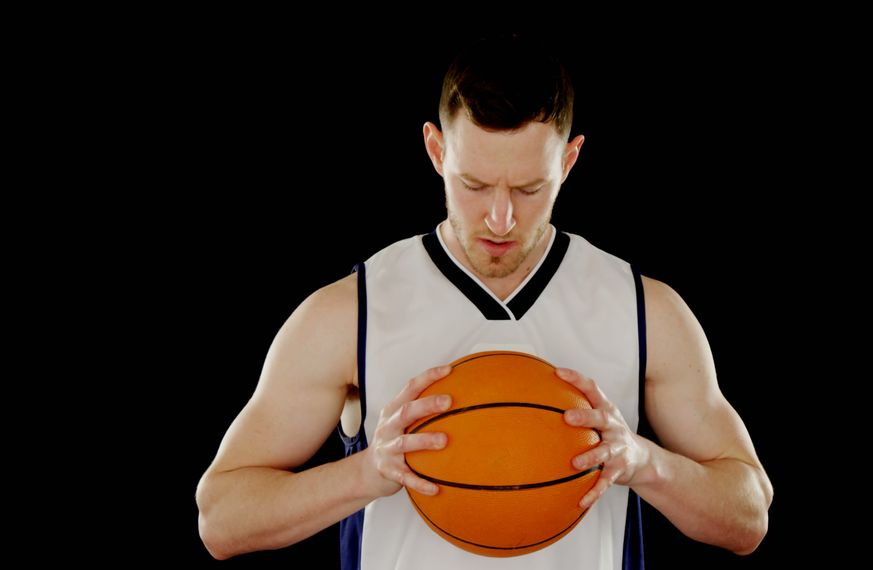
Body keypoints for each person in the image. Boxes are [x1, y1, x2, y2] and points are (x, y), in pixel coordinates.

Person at [196, 35, 773, 569]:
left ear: (568, 162)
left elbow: (749, 515)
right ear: (435, 150)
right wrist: (369, 471)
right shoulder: (351, 311)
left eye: (529, 188)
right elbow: (221, 517)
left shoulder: (645, 309)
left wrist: (646, 463)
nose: (501, 218)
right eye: (474, 186)